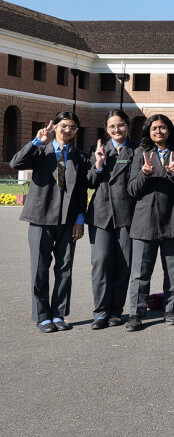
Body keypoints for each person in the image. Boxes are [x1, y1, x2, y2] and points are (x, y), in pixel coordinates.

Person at [11, 113, 89, 333]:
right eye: (64, 126)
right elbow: (16, 163)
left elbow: (82, 191)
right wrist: (37, 141)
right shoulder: (40, 151)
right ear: (55, 127)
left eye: (73, 127)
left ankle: (58, 314)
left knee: (65, 269)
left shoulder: (80, 157)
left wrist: (80, 220)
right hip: (41, 217)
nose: (68, 130)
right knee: (39, 268)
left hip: (68, 221)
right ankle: (43, 315)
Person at [125, 114, 174, 332]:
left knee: (173, 270)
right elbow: (132, 190)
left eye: (163, 127)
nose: (158, 131)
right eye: (154, 128)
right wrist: (144, 174)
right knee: (140, 272)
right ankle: (136, 313)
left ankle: (171, 309)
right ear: (148, 132)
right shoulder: (140, 154)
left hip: (173, 220)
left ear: (170, 130)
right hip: (144, 221)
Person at [85, 109, 138, 330]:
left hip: (127, 214)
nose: (117, 129)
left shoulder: (137, 150)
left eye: (120, 125)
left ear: (127, 126)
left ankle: (116, 310)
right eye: (112, 126)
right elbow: (89, 182)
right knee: (101, 262)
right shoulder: (97, 149)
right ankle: (100, 312)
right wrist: (98, 164)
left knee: (124, 264)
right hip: (101, 214)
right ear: (107, 129)